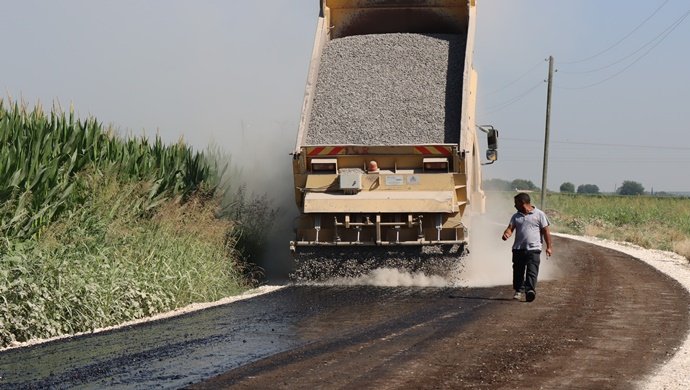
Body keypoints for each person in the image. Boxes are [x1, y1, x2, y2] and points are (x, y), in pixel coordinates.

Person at [501, 192, 553, 302]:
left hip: (534, 248)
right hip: (518, 248)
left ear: (522, 203)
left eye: (516, 203)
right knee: (518, 270)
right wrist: (507, 234)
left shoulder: (539, 214)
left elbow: (546, 232)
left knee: (532, 270)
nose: (515, 206)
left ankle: (530, 291)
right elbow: (510, 228)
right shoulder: (516, 216)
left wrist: (549, 247)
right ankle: (518, 291)